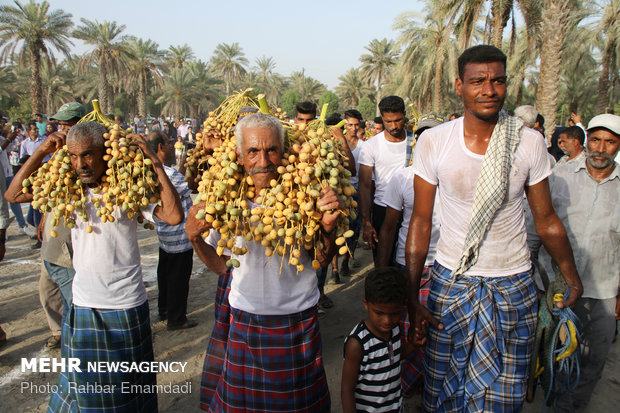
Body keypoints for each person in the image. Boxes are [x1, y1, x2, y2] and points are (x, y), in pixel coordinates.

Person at [405, 45, 582, 412]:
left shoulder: (527, 142)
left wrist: (570, 276)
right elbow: (421, 223)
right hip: (452, 282)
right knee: (442, 392)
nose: (489, 90)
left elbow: (546, 220)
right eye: (478, 81)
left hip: (513, 285)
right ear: (460, 85)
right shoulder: (434, 142)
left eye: (498, 80)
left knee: (503, 396)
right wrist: (411, 298)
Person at [11, 120, 183, 412]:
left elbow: (173, 215)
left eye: (88, 154)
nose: (81, 163)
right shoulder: (69, 191)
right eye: (74, 156)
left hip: (124, 306)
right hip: (83, 305)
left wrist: (154, 162)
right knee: (86, 393)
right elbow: (13, 195)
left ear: (106, 152)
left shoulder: (126, 190)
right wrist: (42, 150)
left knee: (124, 395)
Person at [186, 113, 338, 412]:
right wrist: (194, 239)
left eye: (272, 150)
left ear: (283, 152)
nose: (263, 159)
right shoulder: (226, 202)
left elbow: (321, 261)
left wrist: (330, 231)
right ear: (240, 157)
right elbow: (221, 268)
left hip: (297, 320)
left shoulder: (306, 199)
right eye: (253, 151)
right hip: (245, 317)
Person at [527, 113, 620, 413]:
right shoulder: (559, 178)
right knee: (554, 359)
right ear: (586, 140)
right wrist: (530, 277)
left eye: (610, 142)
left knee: (592, 361)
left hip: (603, 291)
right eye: (596, 140)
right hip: (556, 290)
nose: (601, 148)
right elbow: (535, 228)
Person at [341, 267, 412, 413]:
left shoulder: (395, 329)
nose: (387, 321)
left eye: (395, 313)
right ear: (366, 304)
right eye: (379, 313)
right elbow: (347, 390)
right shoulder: (357, 344)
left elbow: (392, 358)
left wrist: (413, 345)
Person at [147, 131, 197, 331]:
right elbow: (190, 186)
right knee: (179, 278)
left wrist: (185, 160)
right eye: (167, 144)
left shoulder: (150, 172)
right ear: (160, 147)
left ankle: (164, 308)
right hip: (179, 237)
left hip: (164, 236)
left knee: (165, 274)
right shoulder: (168, 175)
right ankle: (177, 319)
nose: (169, 147)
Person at [358, 95, 411, 265]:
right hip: (383, 209)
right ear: (381, 117)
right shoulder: (371, 146)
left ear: (404, 114)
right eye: (388, 121)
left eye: (398, 120)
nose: (394, 126)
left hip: (411, 210)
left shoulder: (416, 142)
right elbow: (365, 185)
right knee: (383, 265)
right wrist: (366, 221)